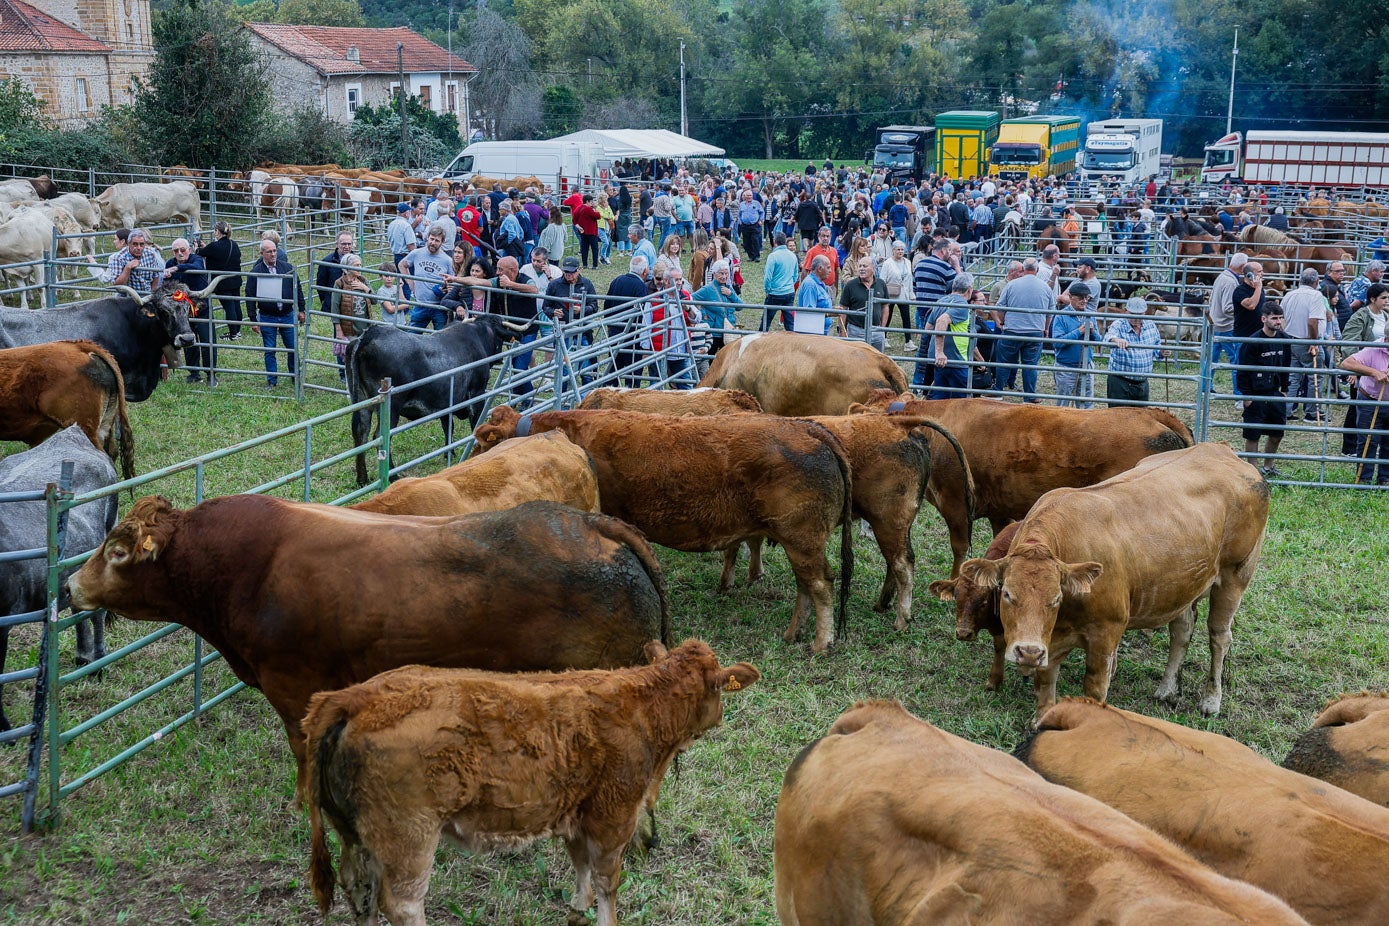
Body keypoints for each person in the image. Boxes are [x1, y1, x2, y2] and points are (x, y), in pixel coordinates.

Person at [1237, 303, 1292, 479]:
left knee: (1277, 433)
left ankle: (1268, 467)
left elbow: (1286, 366)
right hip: (1256, 392)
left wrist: (1284, 390)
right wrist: (1246, 395)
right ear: (1264, 319)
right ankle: (1253, 471)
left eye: (1280, 318)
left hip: (1275, 392)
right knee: (1253, 434)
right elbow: (1243, 369)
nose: (1278, 321)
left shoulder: (1284, 339)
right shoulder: (1253, 341)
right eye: (1274, 318)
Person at [992, 257, 1052, 403]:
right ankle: (1030, 395)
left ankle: (997, 391)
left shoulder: (1012, 285)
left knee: (1004, 362)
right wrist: (1045, 329)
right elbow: (1050, 313)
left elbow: (1000, 307)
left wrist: (1003, 321)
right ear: (1037, 270)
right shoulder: (1045, 287)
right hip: (1035, 332)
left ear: (1023, 269)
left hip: (1013, 330)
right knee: (1030, 365)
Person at [246, 239, 305, 389]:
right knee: (270, 349)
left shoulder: (288, 268)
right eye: (269, 252)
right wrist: (253, 319)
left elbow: (297, 289)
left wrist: (301, 310)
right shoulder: (255, 272)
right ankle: (272, 381)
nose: (273, 254)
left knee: (292, 348)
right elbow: (250, 296)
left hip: (287, 313)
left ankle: (294, 376)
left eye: (274, 251)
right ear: (262, 253)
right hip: (267, 315)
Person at [1339, 282, 1389, 456]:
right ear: (1372, 299)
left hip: (1381, 368)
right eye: (1383, 298)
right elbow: (1349, 342)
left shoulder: (1385, 315)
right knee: (1357, 408)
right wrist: (1355, 370)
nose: (1387, 301)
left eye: (1388, 297)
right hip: (1363, 366)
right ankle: (1349, 447)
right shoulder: (1360, 316)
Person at [1339, 326, 1389, 486]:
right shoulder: (1375, 348)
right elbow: (1346, 363)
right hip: (1371, 400)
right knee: (1368, 439)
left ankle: (1385, 478)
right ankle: (1364, 479)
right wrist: (1374, 372)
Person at [1280, 267, 1329, 422]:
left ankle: (1287, 410)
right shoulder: (1316, 295)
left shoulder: (1289, 295)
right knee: (1315, 377)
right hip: (1308, 341)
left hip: (1291, 339)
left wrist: (1285, 335)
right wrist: (1313, 341)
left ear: (1300, 280)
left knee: (1293, 377)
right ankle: (1313, 412)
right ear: (1316, 281)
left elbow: (1280, 317)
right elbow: (1312, 321)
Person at [544, 256, 600, 391]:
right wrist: (553, 312)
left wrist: (582, 310)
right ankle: (562, 400)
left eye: (572, 272)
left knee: (586, 369)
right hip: (564, 332)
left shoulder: (586, 284)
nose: (568, 275)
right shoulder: (554, 285)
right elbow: (546, 306)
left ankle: (587, 402)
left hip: (583, 331)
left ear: (579, 270)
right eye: (566, 272)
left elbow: (594, 306)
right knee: (564, 371)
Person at [1103, 297, 1169, 407]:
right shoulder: (1118, 325)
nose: (1136, 318)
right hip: (1120, 382)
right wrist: (1116, 340)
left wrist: (1162, 352)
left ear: (1145, 312)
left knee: (1140, 419)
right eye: (1132, 313)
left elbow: (1157, 346)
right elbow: (1108, 338)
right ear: (1126, 311)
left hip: (1142, 383)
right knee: (1118, 418)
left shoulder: (1150, 325)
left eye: (1140, 314)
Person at [928, 273, 980, 399]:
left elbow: (928, 328)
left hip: (939, 360)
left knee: (940, 399)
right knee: (961, 402)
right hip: (956, 360)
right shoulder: (962, 305)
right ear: (969, 290)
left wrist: (937, 351)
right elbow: (941, 321)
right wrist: (940, 352)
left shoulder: (941, 301)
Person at [164, 238, 209, 383]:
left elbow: (198, 268)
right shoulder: (170, 263)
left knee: (207, 342)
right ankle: (194, 373)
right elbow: (167, 286)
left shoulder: (197, 259)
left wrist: (178, 268)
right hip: (182, 313)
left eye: (182, 250)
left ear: (189, 249)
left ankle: (211, 374)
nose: (179, 253)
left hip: (201, 309)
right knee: (188, 342)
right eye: (176, 251)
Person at [1050, 281, 1100, 408]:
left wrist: (1093, 333)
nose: (1084, 301)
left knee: (1087, 403)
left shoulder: (1090, 315)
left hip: (1086, 367)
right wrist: (1079, 331)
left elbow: (1099, 341)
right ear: (1071, 297)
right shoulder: (1061, 317)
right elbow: (1057, 342)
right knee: (1063, 404)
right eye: (1080, 298)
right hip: (1066, 368)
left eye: (1086, 297)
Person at [606, 254, 653, 387]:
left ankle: (610, 396)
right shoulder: (641, 286)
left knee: (613, 369)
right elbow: (642, 313)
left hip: (615, 333)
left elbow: (607, 306)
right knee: (633, 373)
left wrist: (611, 325)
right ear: (644, 271)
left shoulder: (617, 280)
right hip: (632, 336)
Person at [1207, 252, 1249, 397]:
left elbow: (1212, 299)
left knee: (1212, 359)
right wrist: (1244, 310)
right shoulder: (1231, 282)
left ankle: (1206, 387)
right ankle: (1238, 393)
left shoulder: (1222, 276)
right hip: (1227, 327)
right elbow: (1228, 307)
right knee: (1235, 360)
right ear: (1243, 267)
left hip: (1215, 324)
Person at [399, 223, 454, 330]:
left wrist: (447, 289)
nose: (433, 243)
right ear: (427, 238)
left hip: (439, 306)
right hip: (420, 304)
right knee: (412, 336)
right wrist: (411, 283)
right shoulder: (416, 253)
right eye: (431, 239)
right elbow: (402, 264)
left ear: (442, 242)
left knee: (441, 338)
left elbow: (452, 282)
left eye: (437, 240)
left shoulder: (447, 261)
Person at [195, 221, 243, 342]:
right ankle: (237, 331)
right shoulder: (234, 244)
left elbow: (199, 253)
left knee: (229, 307)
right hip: (235, 279)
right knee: (236, 305)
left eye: (214, 230)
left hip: (221, 282)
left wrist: (197, 247)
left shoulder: (214, 246)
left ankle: (233, 334)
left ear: (217, 231)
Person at [330, 254, 373, 381]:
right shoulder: (340, 283)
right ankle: (349, 379)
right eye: (356, 265)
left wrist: (365, 289)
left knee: (364, 354)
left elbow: (375, 301)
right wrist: (338, 329)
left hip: (365, 327)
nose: (359, 268)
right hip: (349, 328)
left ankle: (362, 379)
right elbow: (335, 308)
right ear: (347, 267)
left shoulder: (364, 281)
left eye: (360, 265)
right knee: (351, 355)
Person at [690, 259, 743, 353]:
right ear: (714, 274)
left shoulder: (729, 287)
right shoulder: (707, 289)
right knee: (711, 358)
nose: (724, 276)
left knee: (730, 358)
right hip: (714, 332)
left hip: (729, 330)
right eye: (721, 273)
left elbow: (740, 306)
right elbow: (690, 299)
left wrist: (731, 294)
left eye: (726, 274)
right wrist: (702, 313)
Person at [838, 255, 888, 351]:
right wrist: (842, 331)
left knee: (877, 362)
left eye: (865, 266)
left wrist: (882, 328)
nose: (861, 269)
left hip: (876, 331)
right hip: (856, 331)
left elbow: (885, 306)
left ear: (873, 268)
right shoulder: (850, 285)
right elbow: (843, 309)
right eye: (860, 266)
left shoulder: (881, 284)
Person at [761, 232, 798, 332]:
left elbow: (768, 277)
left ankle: (760, 341)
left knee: (766, 321)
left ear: (774, 242)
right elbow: (795, 276)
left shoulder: (773, 256)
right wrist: (790, 285)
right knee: (789, 322)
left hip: (775, 293)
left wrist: (768, 290)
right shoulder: (793, 256)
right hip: (789, 292)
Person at [107, 228, 164, 293]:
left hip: (147, 293)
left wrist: (152, 293)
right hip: (127, 296)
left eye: (141, 244)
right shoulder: (119, 257)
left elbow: (155, 275)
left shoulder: (150, 254)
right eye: (135, 244)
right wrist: (128, 268)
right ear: (128, 243)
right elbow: (117, 285)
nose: (138, 248)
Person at [879, 239, 913, 345]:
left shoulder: (907, 262)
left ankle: (908, 341)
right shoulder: (887, 263)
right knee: (887, 315)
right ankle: (883, 337)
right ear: (893, 250)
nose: (900, 251)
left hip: (904, 294)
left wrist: (911, 293)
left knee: (906, 317)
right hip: (890, 294)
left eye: (902, 249)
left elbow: (910, 279)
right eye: (898, 249)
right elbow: (882, 279)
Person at [315, 230, 356, 317]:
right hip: (334, 302)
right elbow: (321, 284)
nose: (347, 247)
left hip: (352, 302)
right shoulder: (327, 262)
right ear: (337, 244)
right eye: (343, 244)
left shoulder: (356, 260)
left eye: (349, 244)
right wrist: (327, 300)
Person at [794, 254, 835, 335]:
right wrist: (829, 313)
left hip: (820, 332)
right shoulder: (810, 285)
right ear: (819, 268)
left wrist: (832, 308)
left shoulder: (818, 283)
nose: (830, 271)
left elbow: (819, 306)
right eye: (828, 267)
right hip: (813, 335)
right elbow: (809, 312)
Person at [386, 202, 416, 298]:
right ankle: (405, 303)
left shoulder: (391, 224)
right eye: (409, 212)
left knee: (400, 280)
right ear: (406, 213)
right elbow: (410, 245)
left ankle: (400, 300)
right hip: (406, 256)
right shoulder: (406, 225)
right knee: (407, 280)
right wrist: (415, 256)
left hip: (396, 254)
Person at [572, 193, 602, 270]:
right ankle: (595, 265)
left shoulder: (579, 208)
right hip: (591, 232)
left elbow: (574, 219)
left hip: (583, 232)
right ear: (587, 201)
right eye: (591, 201)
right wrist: (595, 208)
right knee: (594, 248)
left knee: (584, 248)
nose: (592, 203)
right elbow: (598, 216)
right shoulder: (588, 209)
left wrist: (578, 226)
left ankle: (585, 264)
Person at [374, 260, 407, 327]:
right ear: (381, 277)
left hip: (402, 323)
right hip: (390, 325)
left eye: (391, 276)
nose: (389, 279)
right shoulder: (382, 291)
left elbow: (404, 302)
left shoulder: (397, 288)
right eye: (386, 276)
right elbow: (390, 309)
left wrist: (400, 288)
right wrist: (404, 305)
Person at [736, 189, 765, 262]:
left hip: (754, 225)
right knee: (746, 242)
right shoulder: (742, 204)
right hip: (745, 226)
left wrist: (760, 220)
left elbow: (762, 212)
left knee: (755, 240)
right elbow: (739, 214)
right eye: (748, 195)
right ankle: (751, 256)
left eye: (750, 195)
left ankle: (757, 256)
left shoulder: (756, 203)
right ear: (745, 196)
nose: (749, 197)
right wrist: (740, 221)